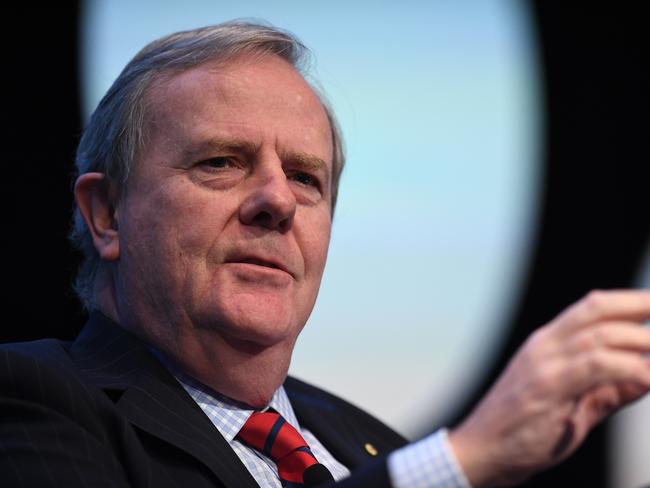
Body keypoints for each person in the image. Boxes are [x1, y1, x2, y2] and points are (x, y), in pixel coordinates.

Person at [1, 21, 649, 488]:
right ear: (107, 214)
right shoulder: (34, 401)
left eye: (307, 179)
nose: (277, 202)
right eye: (222, 162)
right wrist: (462, 461)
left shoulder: (371, 444)